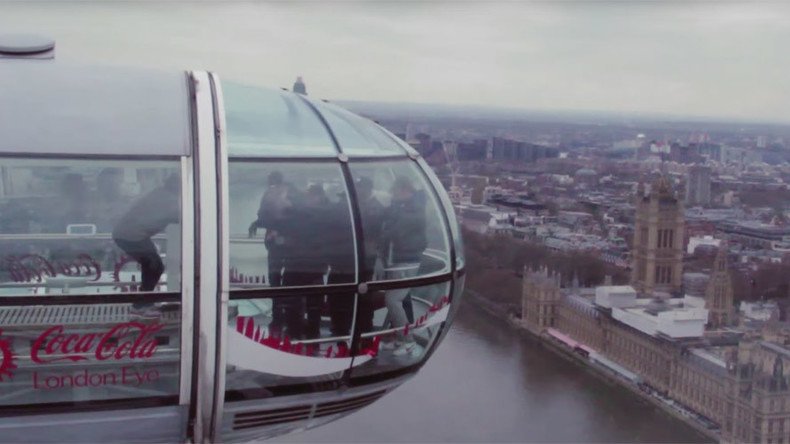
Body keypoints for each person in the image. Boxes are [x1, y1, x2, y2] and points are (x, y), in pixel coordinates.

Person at [112, 175, 180, 314]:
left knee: (152, 266)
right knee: (154, 265)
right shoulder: (168, 198)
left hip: (132, 234)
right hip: (130, 236)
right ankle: (141, 306)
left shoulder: (160, 193)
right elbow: (180, 215)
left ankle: (144, 303)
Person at [378, 175, 427, 356]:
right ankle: (397, 338)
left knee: (393, 300)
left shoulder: (413, 209)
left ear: (405, 191)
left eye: (395, 192)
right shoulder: (403, 207)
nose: (392, 195)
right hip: (397, 259)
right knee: (398, 301)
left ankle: (408, 340)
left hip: (406, 261)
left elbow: (395, 230)